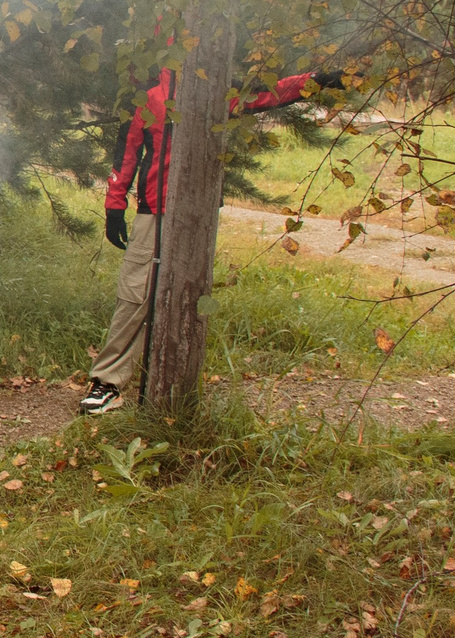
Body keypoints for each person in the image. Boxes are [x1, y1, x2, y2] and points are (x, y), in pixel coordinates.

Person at [82, 64, 342, 416]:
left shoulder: (216, 92)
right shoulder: (146, 97)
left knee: (189, 294)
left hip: (197, 212)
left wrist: (315, 80)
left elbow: (269, 92)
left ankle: (177, 384)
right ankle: (107, 382)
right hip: (153, 209)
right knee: (135, 293)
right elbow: (126, 153)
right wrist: (115, 204)